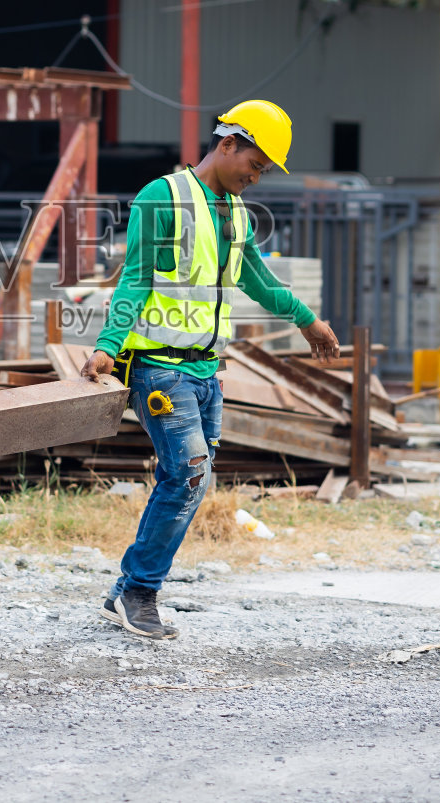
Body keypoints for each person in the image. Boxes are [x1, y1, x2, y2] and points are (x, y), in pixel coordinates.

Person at [83, 100, 340, 639]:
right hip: (158, 366)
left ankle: (124, 592)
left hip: (205, 370)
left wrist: (306, 319)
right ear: (228, 144)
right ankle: (138, 592)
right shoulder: (164, 196)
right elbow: (135, 277)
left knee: (191, 481)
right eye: (256, 163)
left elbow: (258, 280)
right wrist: (109, 344)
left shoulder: (236, 213)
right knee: (188, 472)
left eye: (264, 170)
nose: (256, 175)